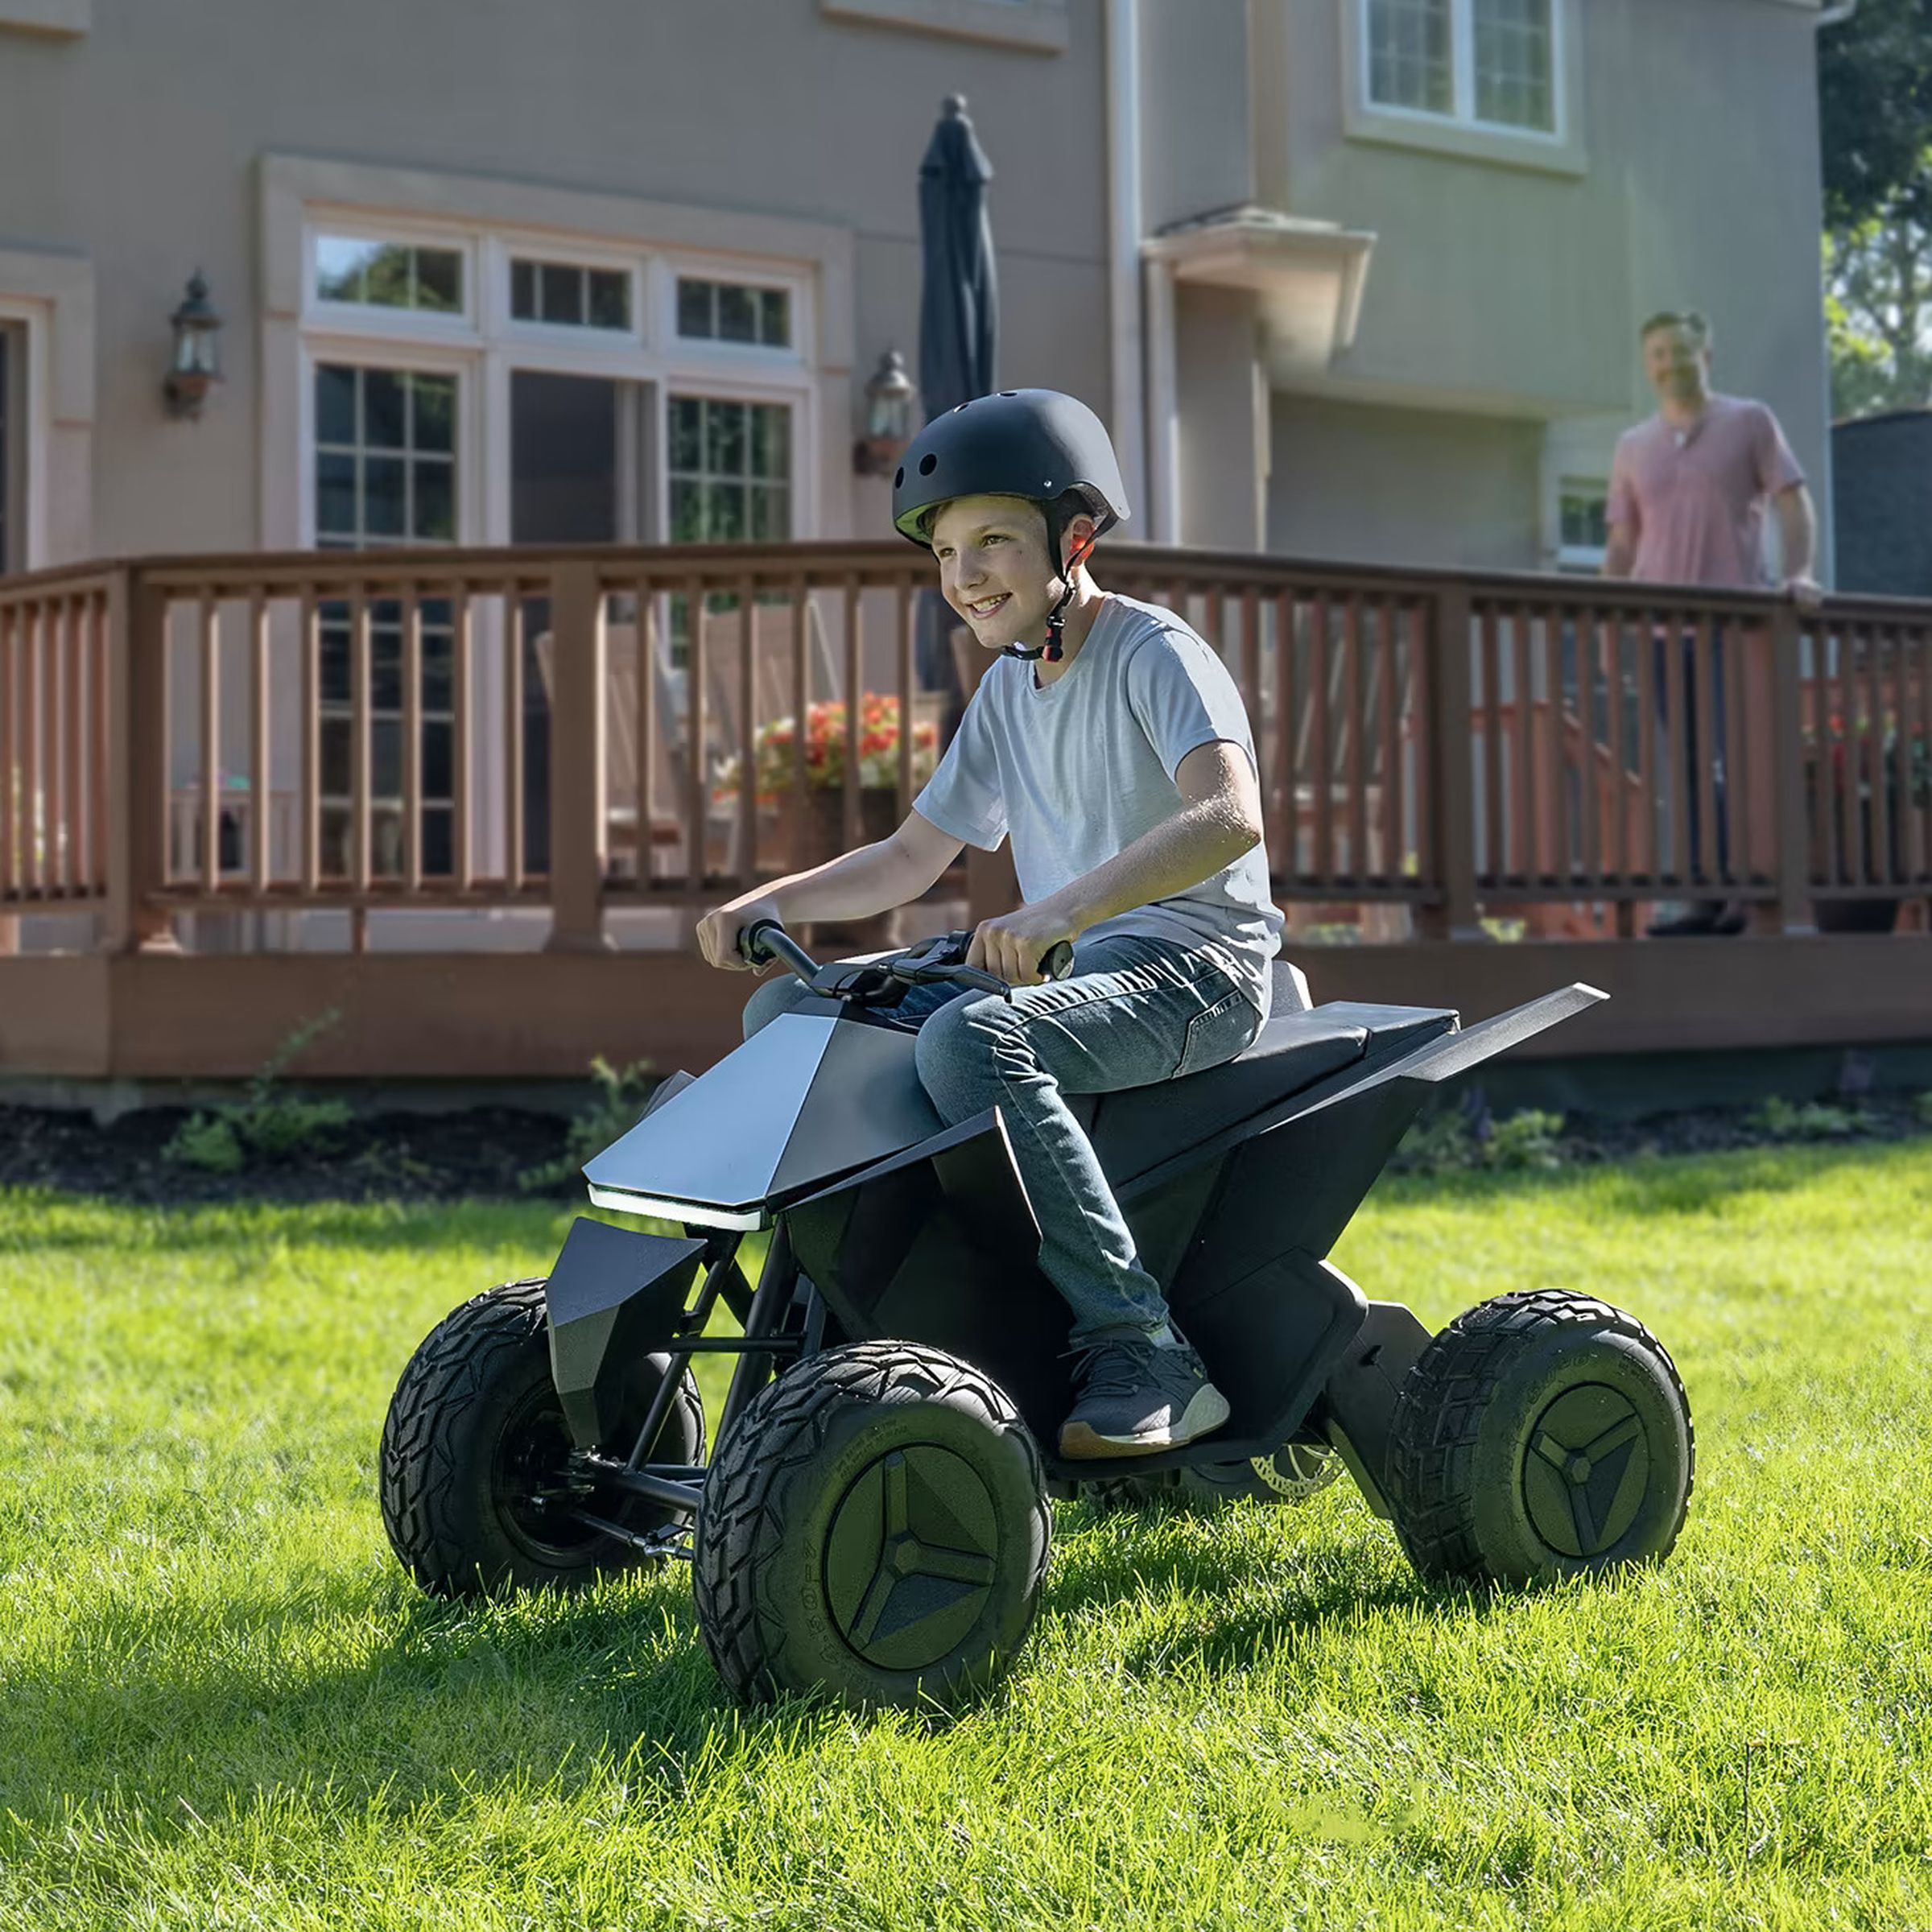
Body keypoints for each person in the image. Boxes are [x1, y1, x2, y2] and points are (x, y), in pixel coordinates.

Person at [694, 389, 1283, 1460]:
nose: (966, 575)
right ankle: (836, 1322)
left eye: (994, 541)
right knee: (796, 1007)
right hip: (1074, 962)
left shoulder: (1154, 653)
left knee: (971, 1037)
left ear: (1075, 539)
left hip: (1199, 968)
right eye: (947, 551)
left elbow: (1231, 815)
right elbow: (911, 857)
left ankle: (1145, 1347)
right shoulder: (1012, 690)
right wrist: (775, 902)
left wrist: (1063, 906)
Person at [1604, 310, 1820, 935]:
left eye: (1680, 351)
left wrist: (1799, 573)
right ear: (1649, 366)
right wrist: (1605, 623)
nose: (1670, 363)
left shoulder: (1749, 422)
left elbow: (1792, 500)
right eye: (1658, 354)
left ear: (1707, 355)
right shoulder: (1633, 446)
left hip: (1737, 628)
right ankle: (1705, 898)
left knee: (1737, 762)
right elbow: (1621, 546)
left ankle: (1742, 898)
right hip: (1662, 633)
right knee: (1689, 767)